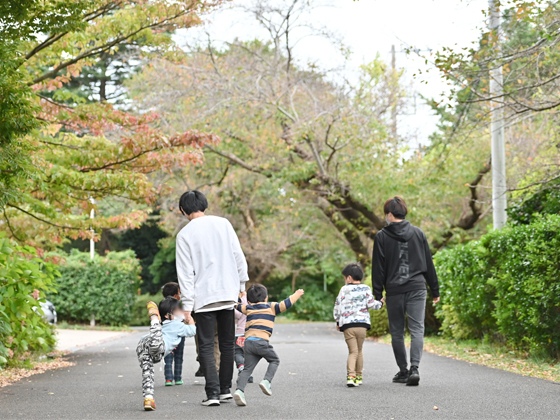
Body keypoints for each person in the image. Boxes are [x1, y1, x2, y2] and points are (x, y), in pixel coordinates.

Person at [176, 190, 249, 406]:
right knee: (227, 344)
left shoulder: (184, 235)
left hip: (203, 297)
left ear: (183, 210)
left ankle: (213, 394)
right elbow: (238, 255)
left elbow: (185, 273)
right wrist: (241, 285)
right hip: (227, 293)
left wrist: (187, 305)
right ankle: (226, 389)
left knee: (207, 345)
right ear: (205, 205)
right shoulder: (223, 224)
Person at [371, 196, 440, 386]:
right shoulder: (418, 233)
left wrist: (378, 295)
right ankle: (414, 368)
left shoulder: (382, 237)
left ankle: (403, 370)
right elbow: (428, 263)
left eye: (386, 214)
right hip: (417, 287)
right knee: (417, 329)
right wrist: (435, 289)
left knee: (397, 332)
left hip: (394, 290)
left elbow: (378, 268)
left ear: (390, 214)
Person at [232, 284, 304, 407]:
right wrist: (296, 294)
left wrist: (239, 296)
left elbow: (237, 306)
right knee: (274, 360)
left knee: (247, 369)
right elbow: (285, 303)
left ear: (249, 300)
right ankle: (266, 381)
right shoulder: (271, 307)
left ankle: (239, 391)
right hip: (261, 342)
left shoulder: (248, 307)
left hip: (248, 343)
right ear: (266, 298)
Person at [136, 298, 196, 411]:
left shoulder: (165, 325)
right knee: (156, 341)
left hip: (143, 347)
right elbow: (192, 330)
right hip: (157, 345)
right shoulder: (178, 325)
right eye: (179, 310)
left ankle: (149, 398)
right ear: (168, 315)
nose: (182, 313)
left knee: (147, 373)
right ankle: (154, 318)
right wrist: (190, 319)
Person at [333, 263, 384, 388]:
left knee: (352, 352)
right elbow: (372, 304)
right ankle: (359, 376)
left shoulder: (344, 289)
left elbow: (337, 307)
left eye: (345, 278)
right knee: (359, 351)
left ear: (349, 278)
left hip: (348, 326)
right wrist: (381, 303)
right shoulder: (366, 289)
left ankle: (351, 376)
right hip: (362, 325)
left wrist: (338, 321)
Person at [161, 282, 185, 386]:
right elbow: (182, 318)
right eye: (179, 293)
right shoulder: (178, 305)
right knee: (179, 356)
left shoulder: (162, 305)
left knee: (168, 356)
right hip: (179, 334)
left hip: (166, 335)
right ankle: (178, 378)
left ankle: (168, 379)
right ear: (175, 295)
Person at [234, 293, 253, 383]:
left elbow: (237, 315)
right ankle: (249, 373)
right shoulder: (256, 305)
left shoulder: (242, 303)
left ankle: (241, 368)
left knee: (238, 352)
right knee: (249, 353)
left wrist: (240, 300)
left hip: (241, 334)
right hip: (252, 334)